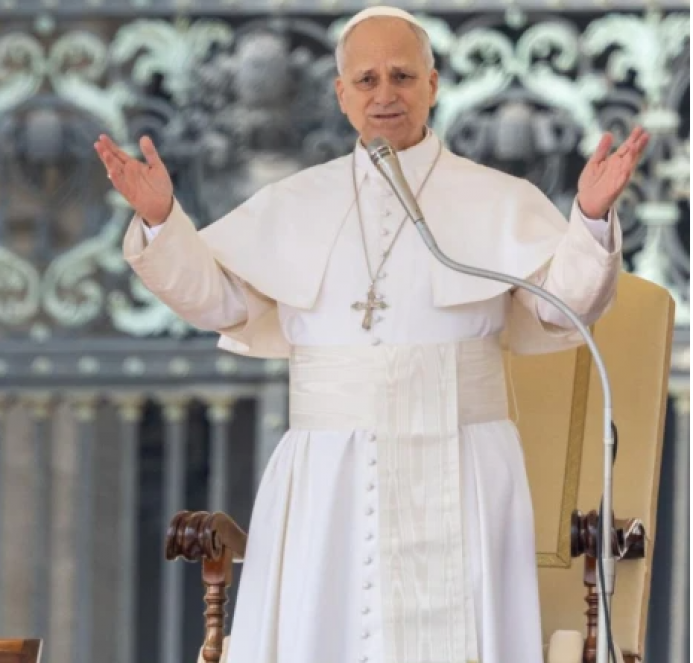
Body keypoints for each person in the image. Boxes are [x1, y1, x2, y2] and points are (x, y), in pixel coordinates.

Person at [95, 7, 648, 663]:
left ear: (433, 84)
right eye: (367, 79)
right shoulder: (296, 202)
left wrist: (590, 217)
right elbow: (219, 302)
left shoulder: (498, 198)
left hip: (463, 462)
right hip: (329, 469)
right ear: (341, 93)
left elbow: (562, 308)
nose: (386, 93)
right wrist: (163, 221)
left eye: (402, 76)